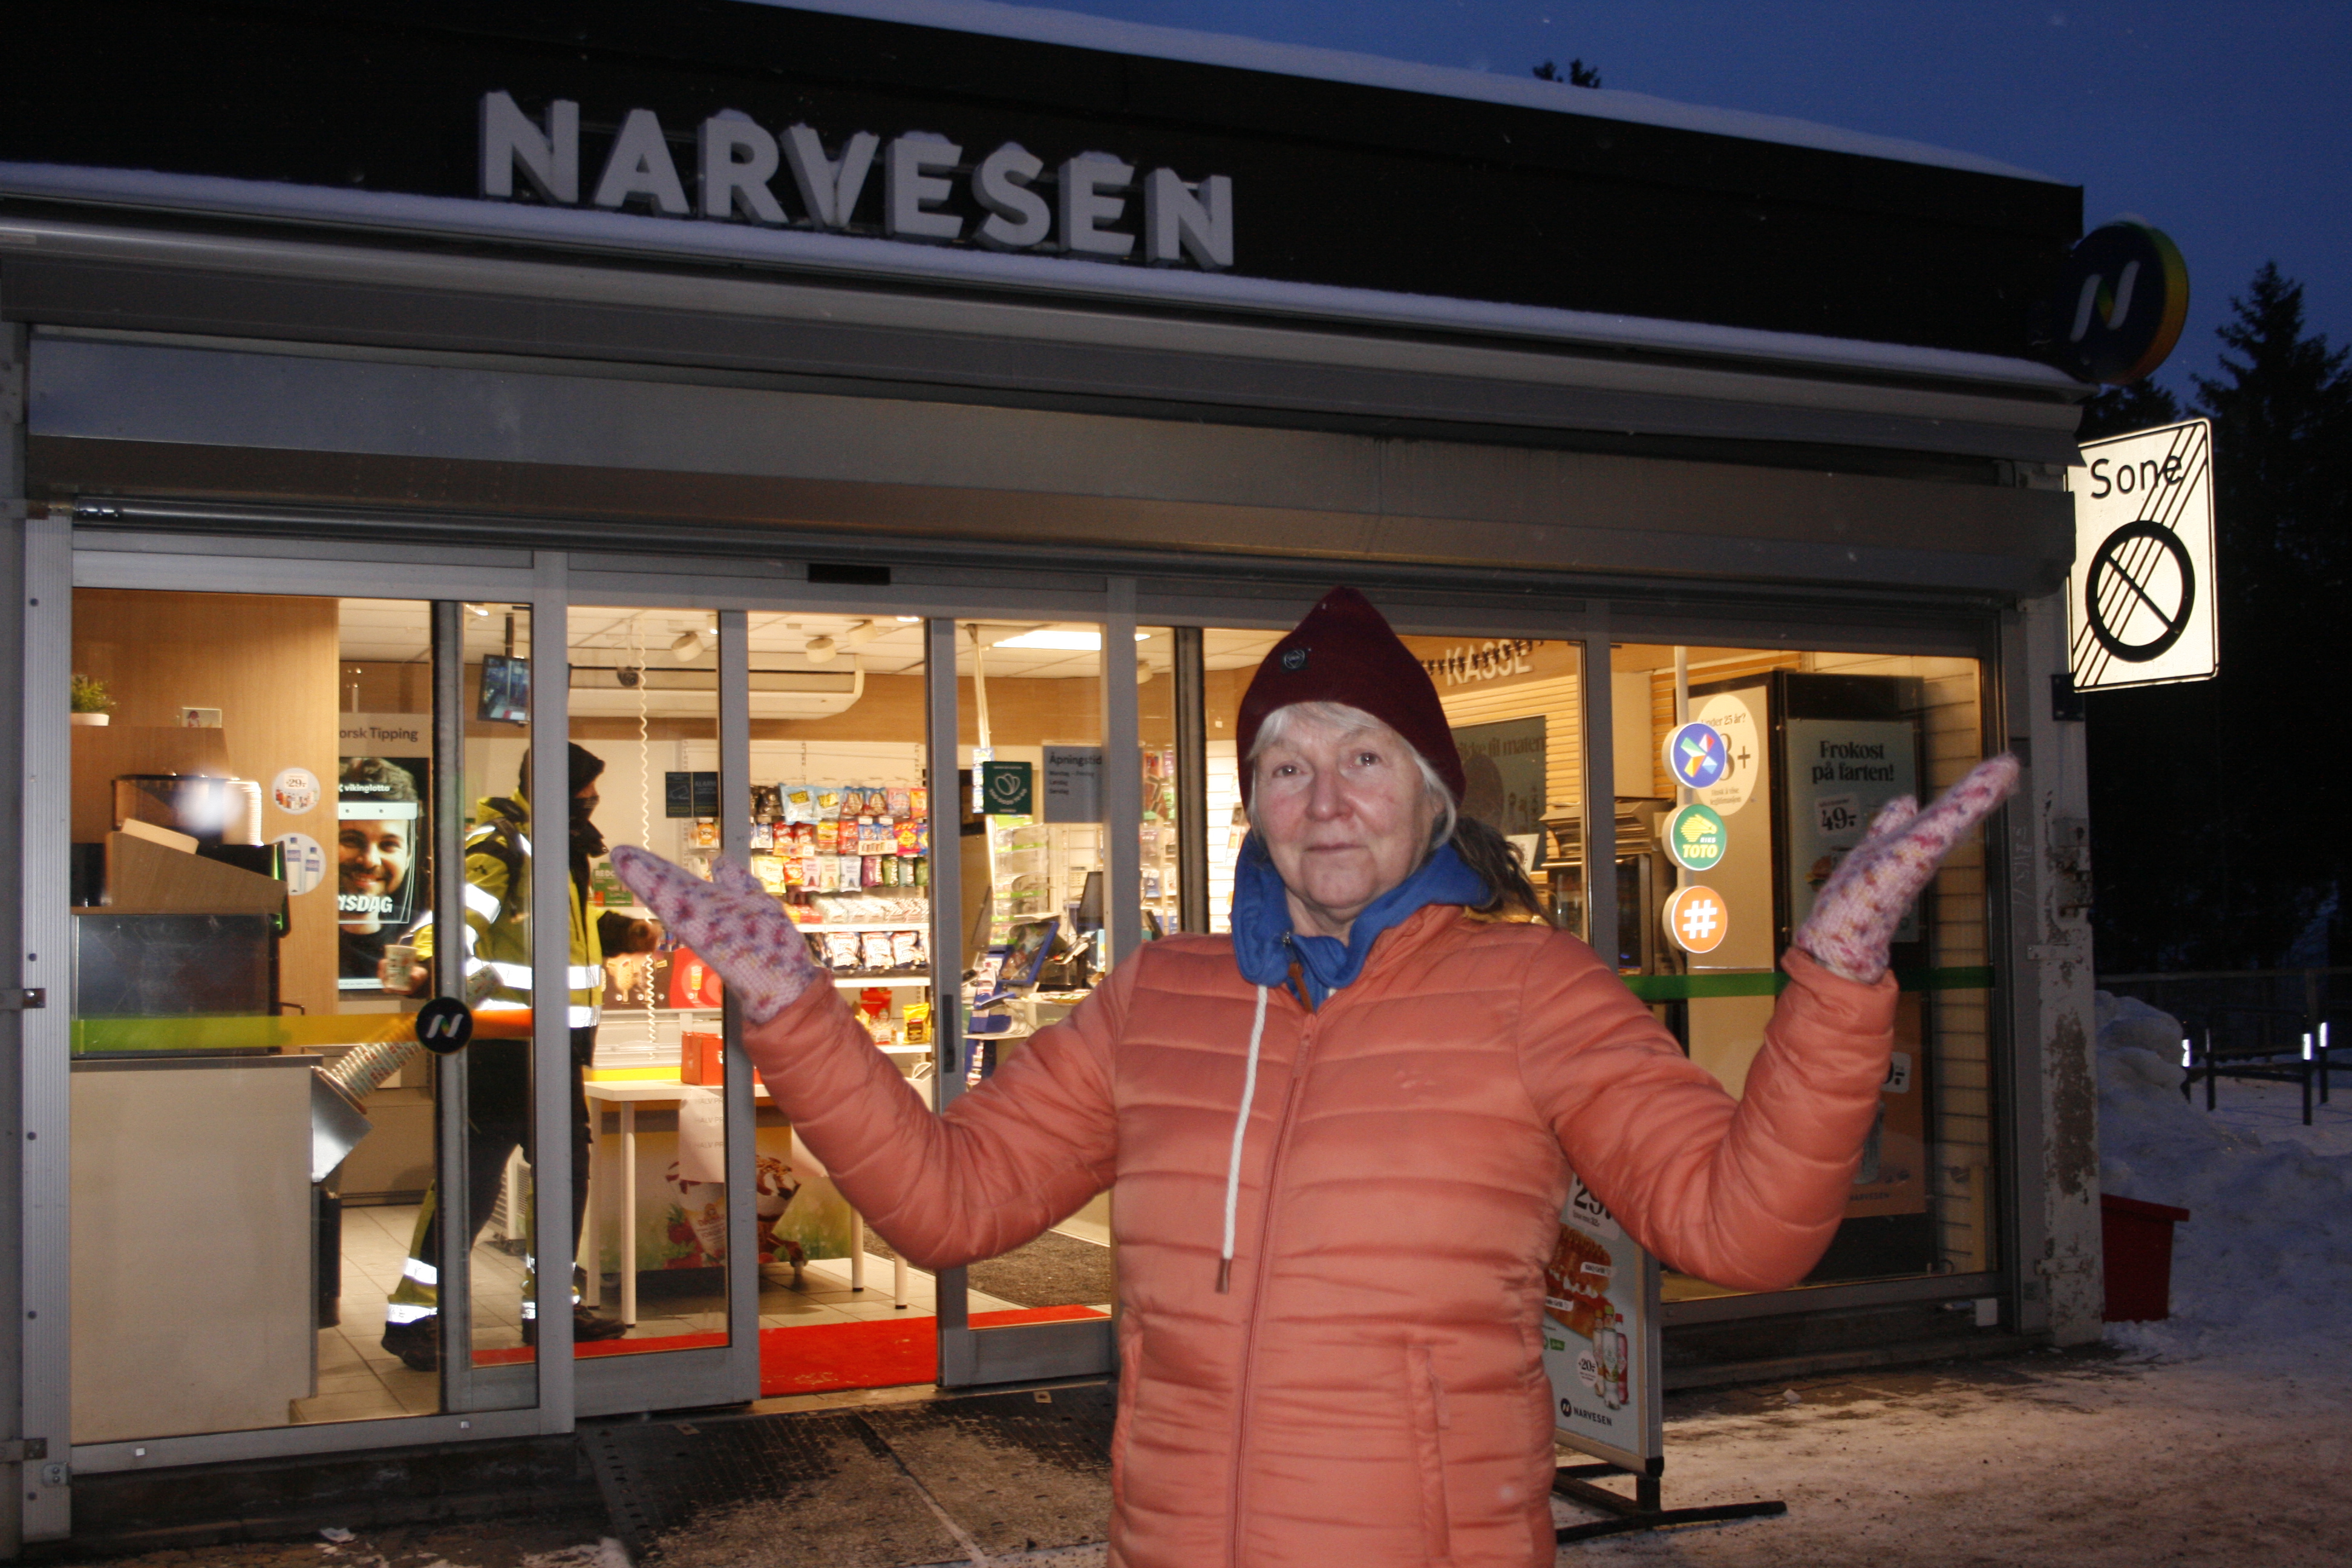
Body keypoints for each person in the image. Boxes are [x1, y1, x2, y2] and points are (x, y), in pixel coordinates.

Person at [613, 587, 2017, 1568]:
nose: (1325, 798)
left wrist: (1831, 989)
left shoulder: (1531, 990)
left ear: (1427, 796)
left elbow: (1744, 1228)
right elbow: (947, 1200)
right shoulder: (1162, 997)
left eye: (1363, 758)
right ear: (1249, 805)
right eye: (1286, 765)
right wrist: (796, 1010)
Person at [381, 742, 628, 1369]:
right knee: (469, 1183)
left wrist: (624, 933)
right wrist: (446, 980)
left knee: (564, 1181)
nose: (591, 803)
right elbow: (455, 929)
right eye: (584, 791)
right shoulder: (501, 845)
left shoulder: (558, 849)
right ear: (550, 788)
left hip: (554, 1051)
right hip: (500, 1050)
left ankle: (550, 1312)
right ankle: (414, 1318)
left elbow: (552, 942)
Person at [336, 756, 420, 984]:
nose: (370, 861)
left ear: (408, 857)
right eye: (352, 840)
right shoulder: (298, 933)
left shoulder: (426, 934)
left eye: (389, 845)